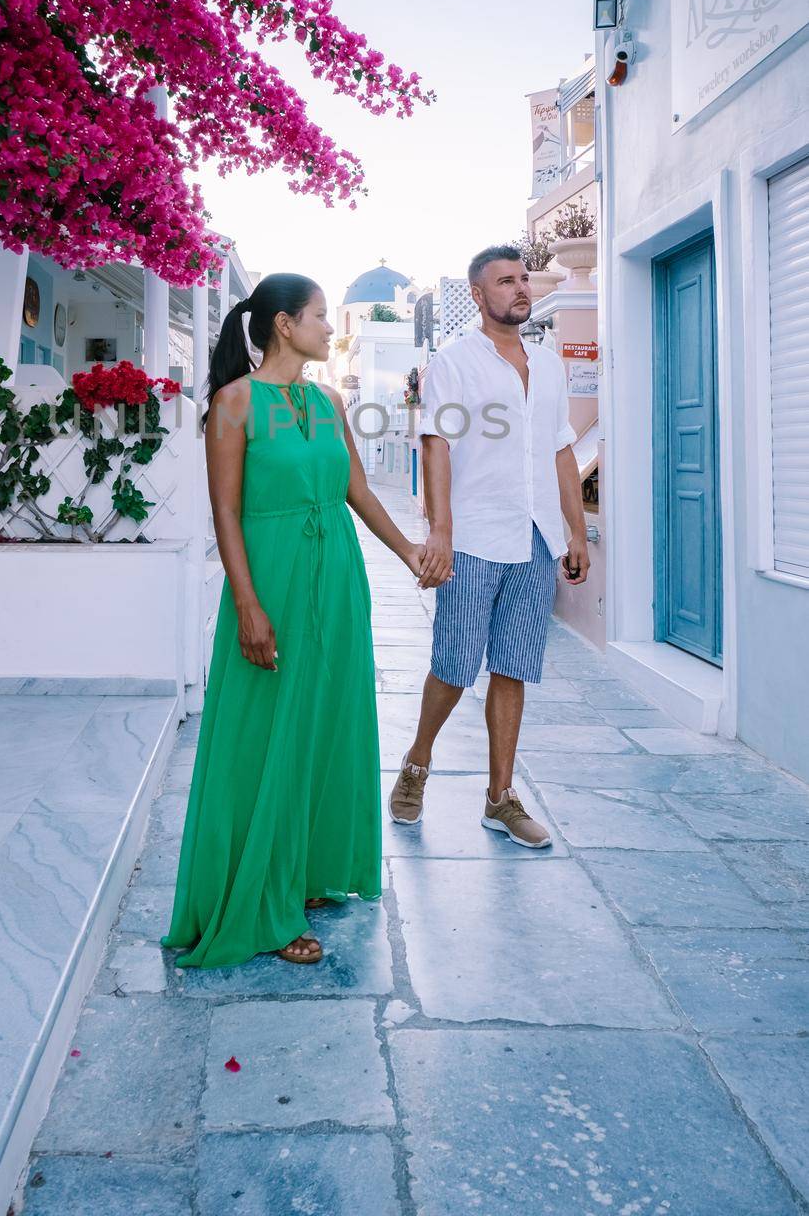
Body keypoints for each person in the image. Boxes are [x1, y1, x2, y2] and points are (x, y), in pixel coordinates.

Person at [162, 273, 425, 967]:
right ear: (283, 323)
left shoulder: (328, 399)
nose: (328, 329)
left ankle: (305, 871)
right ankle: (264, 902)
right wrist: (248, 603)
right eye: (317, 316)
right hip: (270, 574)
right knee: (265, 732)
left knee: (323, 720)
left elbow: (356, 489)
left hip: (335, 574)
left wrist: (407, 553)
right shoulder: (233, 402)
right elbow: (224, 510)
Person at [389, 244, 590, 845]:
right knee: (454, 663)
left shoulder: (549, 364)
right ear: (477, 295)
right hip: (474, 535)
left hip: (534, 537)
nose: (520, 289)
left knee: (513, 665)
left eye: (523, 279)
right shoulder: (452, 362)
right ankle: (417, 763)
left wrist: (575, 531)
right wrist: (440, 531)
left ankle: (500, 797)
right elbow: (436, 446)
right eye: (505, 281)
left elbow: (560, 450)